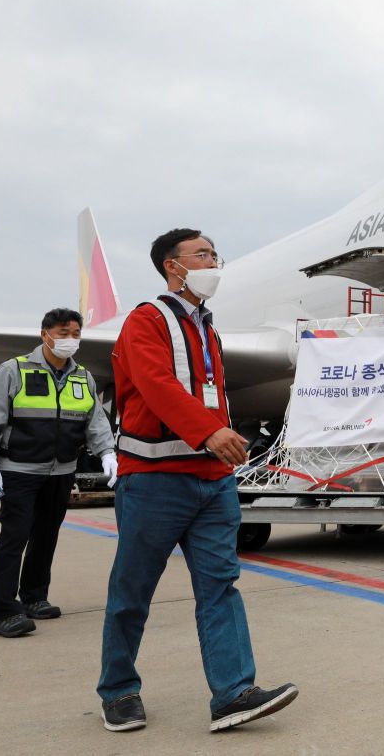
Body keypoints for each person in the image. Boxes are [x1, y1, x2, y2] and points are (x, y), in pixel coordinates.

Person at [96, 228, 297, 734]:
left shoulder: (208, 329)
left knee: (220, 587)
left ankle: (232, 693)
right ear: (173, 266)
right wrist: (210, 430)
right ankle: (118, 690)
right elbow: (156, 385)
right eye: (201, 254)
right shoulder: (146, 320)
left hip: (213, 481)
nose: (213, 261)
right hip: (156, 481)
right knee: (133, 589)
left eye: (214, 253)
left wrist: (219, 444)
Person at [0, 308, 117, 638]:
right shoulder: (14, 370)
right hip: (19, 469)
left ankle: (35, 596)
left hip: (61, 471)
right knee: (15, 536)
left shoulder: (83, 377)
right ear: (45, 334)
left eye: (76, 333)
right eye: (63, 333)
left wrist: (107, 452)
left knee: (46, 535)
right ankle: (5, 611)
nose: (70, 340)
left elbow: (94, 420)